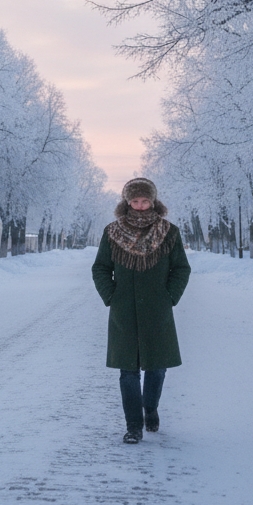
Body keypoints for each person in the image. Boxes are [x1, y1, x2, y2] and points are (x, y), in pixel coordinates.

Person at [91, 177, 191, 444]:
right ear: (127, 202)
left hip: (157, 310)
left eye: (145, 201)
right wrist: (111, 296)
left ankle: (150, 407)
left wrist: (169, 296)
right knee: (128, 371)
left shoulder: (168, 232)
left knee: (157, 367)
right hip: (124, 310)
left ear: (153, 201)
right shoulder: (112, 232)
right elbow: (100, 268)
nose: (140, 206)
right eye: (134, 201)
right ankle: (134, 425)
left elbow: (181, 268)